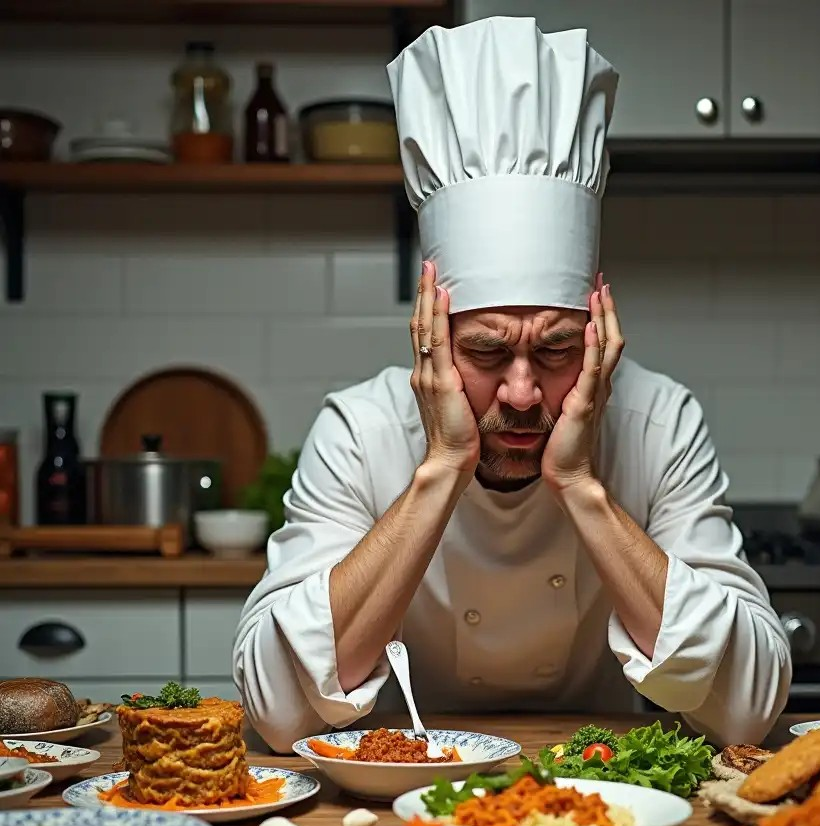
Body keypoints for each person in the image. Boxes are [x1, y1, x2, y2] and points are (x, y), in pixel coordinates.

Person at [233, 17, 791, 753]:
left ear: (599, 329)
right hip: (404, 801)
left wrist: (581, 485)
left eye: (557, 350)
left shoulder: (659, 422)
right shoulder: (361, 431)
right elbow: (275, 709)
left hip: (603, 788)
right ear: (430, 332)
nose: (523, 392)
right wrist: (440, 470)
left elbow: (749, 707)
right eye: (488, 352)